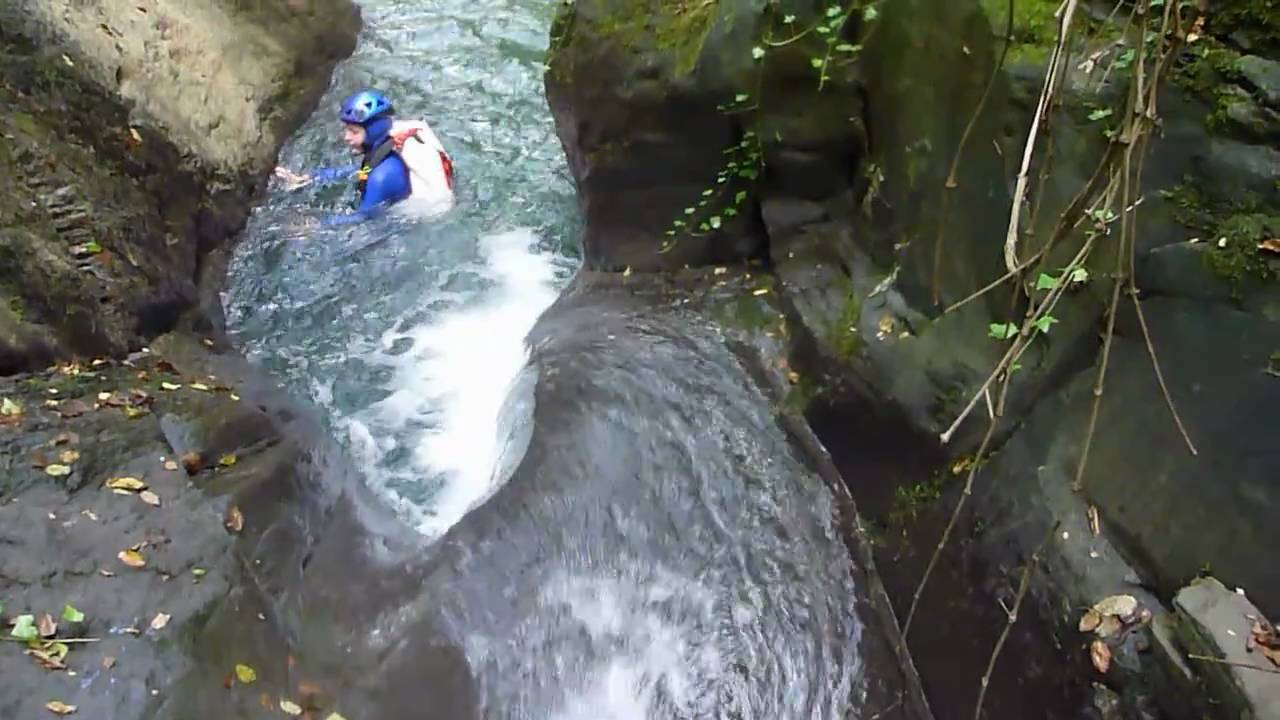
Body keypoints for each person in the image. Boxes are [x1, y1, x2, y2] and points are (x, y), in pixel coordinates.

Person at [276, 89, 454, 227]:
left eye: (354, 132)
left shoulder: (382, 177)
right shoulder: (385, 148)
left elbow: (363, 218)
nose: (346, 137)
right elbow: (361, 170)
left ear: (373, 132)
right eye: (346, 129)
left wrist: (314, 225)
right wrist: (309, 178)